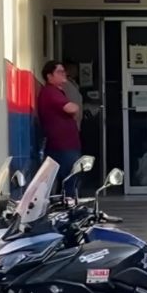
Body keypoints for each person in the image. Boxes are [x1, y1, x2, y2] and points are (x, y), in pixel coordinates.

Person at [37, 60, 81, 197]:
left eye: (64, 71)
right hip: (62, 147)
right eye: (59, 72)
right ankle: (69, 211)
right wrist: (75, 109)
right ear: (49, 76)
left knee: (66, 181)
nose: (64, 74)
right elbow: (71, 108)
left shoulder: (58, 91)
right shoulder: (50, 92)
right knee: (69, 181)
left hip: (64, 146)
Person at [63, 60, 84, 130]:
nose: (75, 71)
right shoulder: (65, 84)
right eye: (72, 69)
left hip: (76, 122)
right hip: (69, 122)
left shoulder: (75, 84)